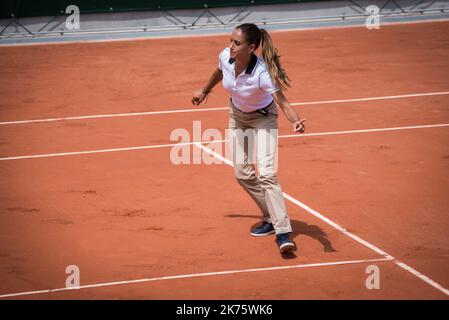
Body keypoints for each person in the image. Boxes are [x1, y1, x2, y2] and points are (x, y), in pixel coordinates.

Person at [191, 23, 306, 254]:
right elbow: (219, 71)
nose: (230, 46)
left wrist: (295, 120)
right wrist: (204, 90)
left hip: (263, 118)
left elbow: (282, 102)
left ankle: (283, 233)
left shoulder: (262, 74)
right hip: (237, 115)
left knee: (267, 174)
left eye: (237, 43)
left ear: (251, 47)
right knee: (242, 173)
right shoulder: (225, 56)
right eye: (230, 41)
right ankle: (272, 216)